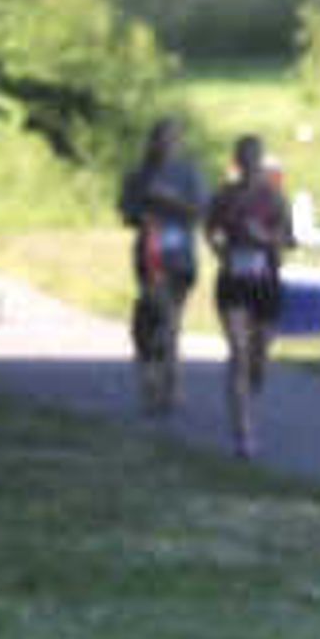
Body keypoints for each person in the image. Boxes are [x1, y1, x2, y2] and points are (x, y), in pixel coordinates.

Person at [200, 133, 294, 460]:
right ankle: (244, 433)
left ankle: (248, 392)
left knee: (258, 357)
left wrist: (267, 239)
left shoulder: (274, 197)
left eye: (255, 158)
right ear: (237, 162)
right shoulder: (224, 196)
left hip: (265, 281)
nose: (250, 165)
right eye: (244, 159)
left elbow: (288, 239)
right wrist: (220, 252)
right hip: (233, 280)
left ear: (261, 161)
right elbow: (208, 230)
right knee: (238, 352)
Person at [118, 117, 202, 420]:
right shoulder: (137, 176)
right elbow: (127, 215)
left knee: (171, 320)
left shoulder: (188, 174)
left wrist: (172, 201)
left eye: (172, 140)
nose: (166, 146)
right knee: (160, 319)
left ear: (179, 144)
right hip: (149, 257)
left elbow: (199, 213)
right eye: (161, 139)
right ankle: (160, 380)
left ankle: (166, 384)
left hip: (181, 258)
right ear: (152, 142)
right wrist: (145, 212)